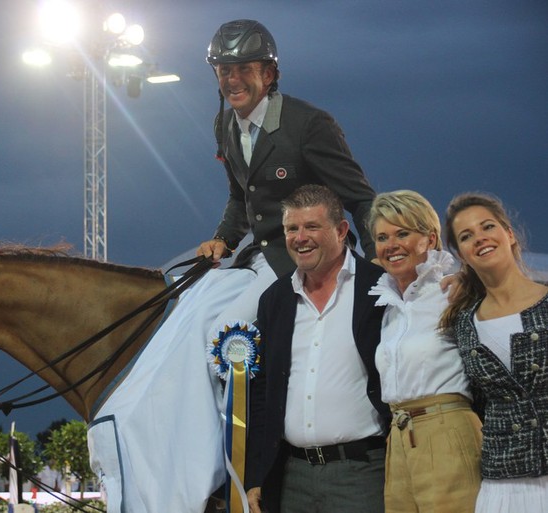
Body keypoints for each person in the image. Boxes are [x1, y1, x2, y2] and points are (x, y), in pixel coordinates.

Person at [246, 184, 389, 513]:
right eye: (291, 228)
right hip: (292, 476)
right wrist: (256, 474)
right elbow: (263, 392)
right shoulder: (275, 299)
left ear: (341, 230)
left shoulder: (379, 288)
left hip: (363, 474)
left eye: (311, 226)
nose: (300, 237)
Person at [200, 19, 377, 279]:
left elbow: (361, 199)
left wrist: (375, 257)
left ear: (268, 74)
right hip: (258, 257)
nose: (233, 80)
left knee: (231, 320)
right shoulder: (223, 124)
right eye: (225, 70)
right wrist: (223, 239)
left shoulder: (309, 124)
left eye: (244, 69)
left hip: (311, 258)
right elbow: (242, 195)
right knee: (195, 306)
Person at [368, 190, 482, 512]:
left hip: (447, 433)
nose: (391, 245)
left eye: (403, 233)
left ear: (430, 239)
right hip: (399, 438)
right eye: (382, 237)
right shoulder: (388, 305)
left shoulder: (454, 291)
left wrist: (472, 281)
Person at [439, 192, 548, 512]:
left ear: (509, 233)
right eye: (466, 236)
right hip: (502, 485)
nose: (480, 238)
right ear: (460, 253)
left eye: (487, 226)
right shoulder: (461, 323)